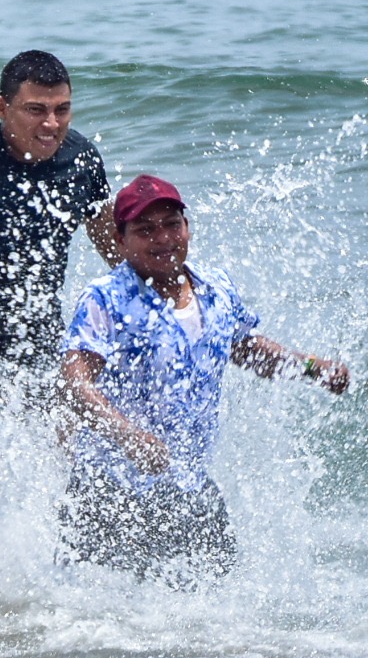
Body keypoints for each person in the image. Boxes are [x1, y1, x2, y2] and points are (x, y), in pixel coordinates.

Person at [58, 174, 350, 585]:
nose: (163, 238)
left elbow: (245, 347)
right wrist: (129, 436)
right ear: (121, 241)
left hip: (189, 484)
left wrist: (310, 368)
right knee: (92, 613)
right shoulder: (105, 298)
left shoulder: (215, 288)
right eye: (145, 230)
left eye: (172, 224)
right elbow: (74, 386)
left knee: (220, 603)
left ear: (187, 228)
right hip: (111, 490)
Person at [0, 51, 117, 380]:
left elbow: (113, 247)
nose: (51, 124)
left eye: (62, 110)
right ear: (1, 107)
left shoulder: (82, 160)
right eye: (36, 110)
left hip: (44, 339)